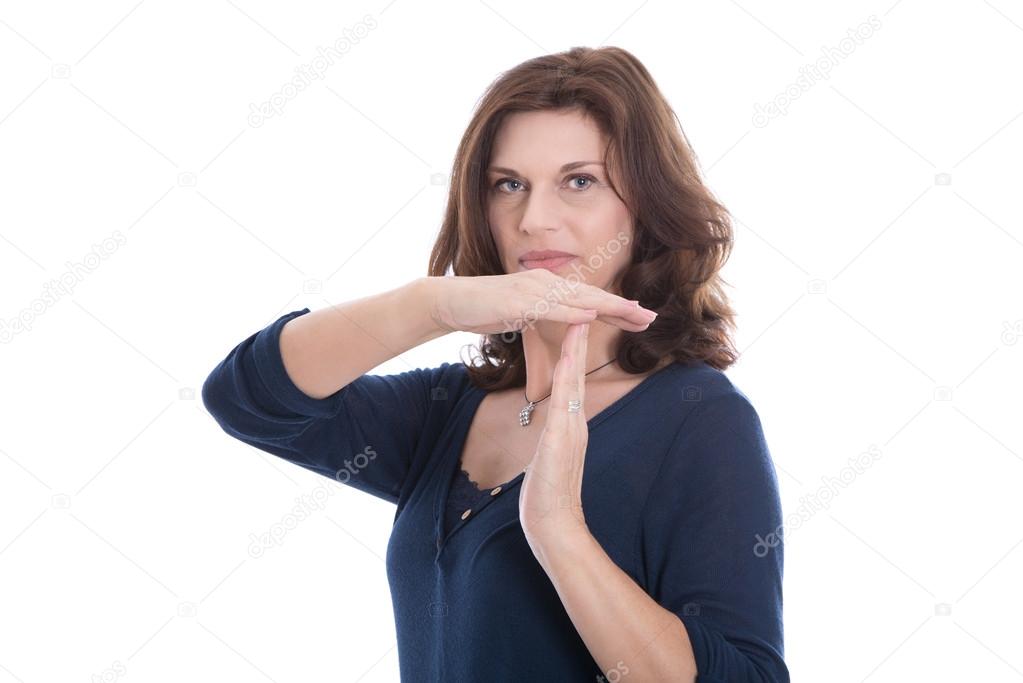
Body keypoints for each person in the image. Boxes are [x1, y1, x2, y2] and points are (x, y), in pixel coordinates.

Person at [202, 45, 788, 682]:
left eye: (579, 181)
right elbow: (247, 399)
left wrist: (559, 533)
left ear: (643, 208)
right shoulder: (449, 410)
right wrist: (435, 304)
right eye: (509, 185)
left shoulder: (699, 419)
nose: (535, 220)